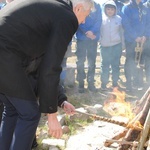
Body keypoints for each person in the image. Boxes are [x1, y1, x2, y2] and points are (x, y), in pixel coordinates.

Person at [0, 0, 94, 149]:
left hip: (7, 54)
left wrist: (61, 100)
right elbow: (51, 68)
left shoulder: (52, 8)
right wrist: (51, 115)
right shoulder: (67, 17)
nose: (83, 21)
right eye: (86, 15)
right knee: (30, 114)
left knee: (12, 110)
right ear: (78, 8)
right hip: (6, 55)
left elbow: (43, 63)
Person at [75, 1, 102, 93]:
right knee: (80, 61)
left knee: (92, 61)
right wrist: (87, 32)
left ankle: (91, 83)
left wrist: (92, 31)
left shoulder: (97, 6)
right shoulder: (80, 4)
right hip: (81, 38)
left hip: (92, 39)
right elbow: (77, 19)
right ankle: (81, 83)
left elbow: (99, 20)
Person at [121, 0, 147, 91]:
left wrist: (145, 35)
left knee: (141, 62)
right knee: (130, 61)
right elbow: (126, 24)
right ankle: (129, 83)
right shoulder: (127, 8)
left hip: (143, 41)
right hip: (131, 40)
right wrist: (135, 36)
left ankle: (138, 82)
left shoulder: (145, 8)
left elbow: (148, 23)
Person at [100, 0, 124, 91]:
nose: (110, 11)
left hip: (116, 45)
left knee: (115, 65)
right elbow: (98, 31)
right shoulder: (101, 19)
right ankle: (104, 84)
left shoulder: (119, 19)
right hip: (105, 46)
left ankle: (115, 84)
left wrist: (123, 44)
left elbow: (122, 32)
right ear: (105, 9)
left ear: (115, 10)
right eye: (108, 9)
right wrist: (100, 40)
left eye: (112, 9)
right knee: (105, 65)